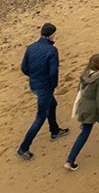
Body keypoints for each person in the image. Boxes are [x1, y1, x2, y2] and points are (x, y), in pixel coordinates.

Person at [16, 22, 66, 159]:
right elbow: (53, 72)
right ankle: (23, 148)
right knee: (40, 117)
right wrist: (53, 86)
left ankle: (55, 130)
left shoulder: (31, 47)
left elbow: (24, 68)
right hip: (45, 87)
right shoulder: (52, 51)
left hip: (35, 84)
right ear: (52, 35)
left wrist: (35, 77)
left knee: (53, 104)